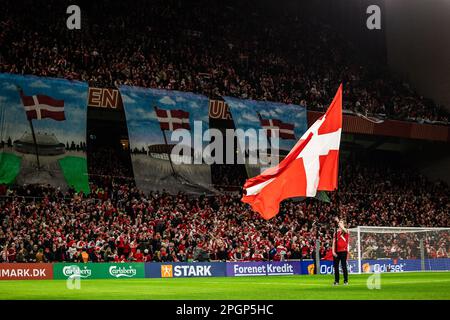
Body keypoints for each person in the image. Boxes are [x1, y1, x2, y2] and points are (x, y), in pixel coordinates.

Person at [332, 218, 349, 285]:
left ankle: (345, 280)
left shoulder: (345, 231)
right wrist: (333, 251)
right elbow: (333, 243)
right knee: (336, 267)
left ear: (343, 224)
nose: (340, 223)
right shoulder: (335, 233)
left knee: (343, 266)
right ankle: (336, 281)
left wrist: (338, 221)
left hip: (343, 251)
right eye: (340, 222)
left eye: (341, 222)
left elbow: (343, 228)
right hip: (336, 251)